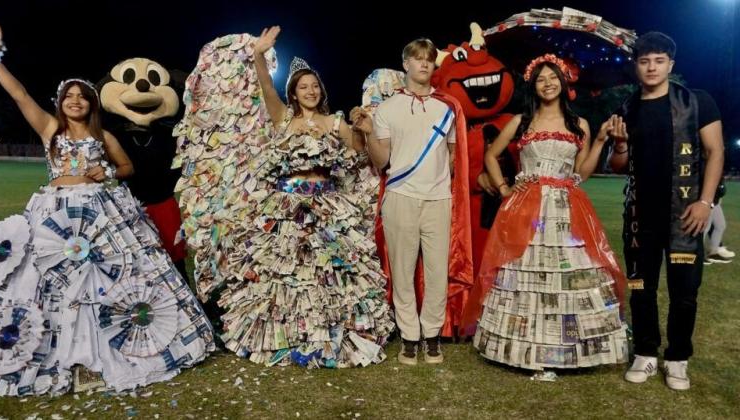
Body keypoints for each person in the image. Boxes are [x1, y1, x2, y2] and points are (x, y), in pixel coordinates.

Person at [0, 25, 215, 396]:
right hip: (53, 216)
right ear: (60, 102)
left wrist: (110, 171)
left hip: (100, 214)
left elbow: (127, 169)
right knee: (45, 286)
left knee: (100, 286)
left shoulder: (105, 137)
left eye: (82, 97)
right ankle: (57, 353)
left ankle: (97, 355)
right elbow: (19, 95)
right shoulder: (50, 129)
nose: (75, 101)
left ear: (92, 104)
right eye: (69, 96)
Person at [204, 26, 394, 368]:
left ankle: (331, 336)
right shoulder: (282, 119)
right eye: (303, 86)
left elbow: (360, 153)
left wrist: (365, 127)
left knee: (329, 275)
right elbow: (264, 87)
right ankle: (288, 338)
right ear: (293, 92)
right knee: (286, 276)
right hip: (286, 206)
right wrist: (260, 54)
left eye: (314, 85)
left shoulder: (334, 123)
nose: (310, 90)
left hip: (326, 205)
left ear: (321, 91)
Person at [465, 54, 629, 371]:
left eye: (552, 77)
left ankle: (568, 348)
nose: (547, 83)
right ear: (534, 86)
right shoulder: (521, 121)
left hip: (567, 207)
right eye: (540, 79)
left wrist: (597, 142)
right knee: (523, 273)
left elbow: (580, 173)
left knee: (568, 272)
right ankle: (518, 347)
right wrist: (503, 189)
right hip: (526, 206)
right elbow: (491, 154)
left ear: (563, 81)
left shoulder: (578, 124)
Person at [609, 32, 724, 390]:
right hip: (642, 215)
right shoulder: (628, 107)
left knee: (684, 291)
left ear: (670, 65)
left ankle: (677, 358)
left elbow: (715, 152)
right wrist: (622, 144)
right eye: (644, 61)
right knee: (641, 288)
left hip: (685, 215)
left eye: (659, 60)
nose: (652, 67)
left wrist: (705, 203)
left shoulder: (697, 101)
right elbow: (617, 165)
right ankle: (645, 353)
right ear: (636, 66)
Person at [352, 38, 470, 365]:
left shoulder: (446, 108)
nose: (423, 65)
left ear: (434, 66)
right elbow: (381, 161)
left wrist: (443, 183)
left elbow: (452, 159)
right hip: (400, 197)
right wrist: (367, 133)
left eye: (429, 60)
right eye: (417, 59)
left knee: (436, 273)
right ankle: (409, 337)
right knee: (402, 273)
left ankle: (431, 336)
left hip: (438, 199)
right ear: (406, 64)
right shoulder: (388, 108)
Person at [704, 180, 733, 264]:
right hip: (708, 200)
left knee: (720, 225)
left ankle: (713, 253)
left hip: (715, 201)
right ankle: (698, 254)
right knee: (705, 228)